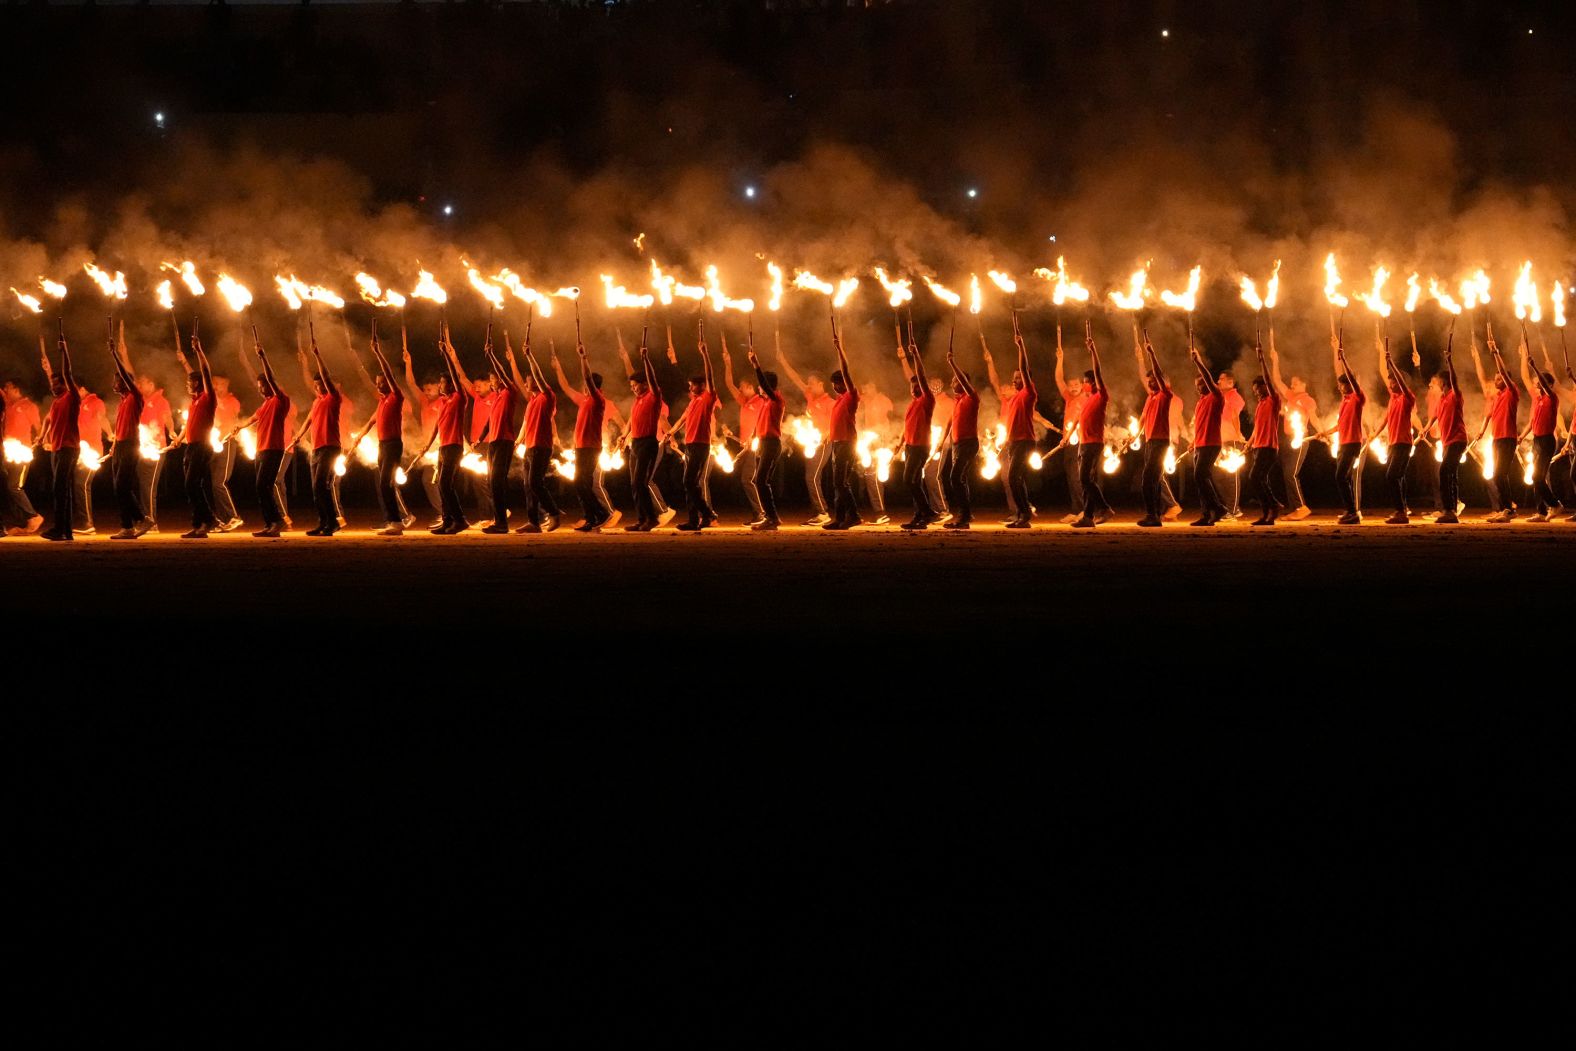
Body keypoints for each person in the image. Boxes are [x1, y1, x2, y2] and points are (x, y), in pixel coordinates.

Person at [344, 325, 410, 535]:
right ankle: (394, 521)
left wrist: (378, 353)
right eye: (377, 383)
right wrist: (359, 437)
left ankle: (396, 522)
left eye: (382, 382)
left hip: (393, 445)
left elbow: (389, 374)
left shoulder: (396, 397)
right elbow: (372, 421)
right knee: (383, 483)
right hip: (383, 445)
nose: (379, 385)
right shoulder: (382, 402)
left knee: (385, 483)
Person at [226, 336, 292, 538]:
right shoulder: (264, 405)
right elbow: (252, 419)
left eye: (262, 385)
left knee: (263, 485)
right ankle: (270, 523)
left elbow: (271, 379)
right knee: (260, 486)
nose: (260, 388)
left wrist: (262, 357)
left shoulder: (281, 400)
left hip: (273, 448)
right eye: (258, 385)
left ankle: (277, 522)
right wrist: (239, 427)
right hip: (261, 449)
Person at [285, 328, 345, 536]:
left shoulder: (334, 398)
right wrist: (298, 436)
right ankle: (324, 522)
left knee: (322, 484)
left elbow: (327, 378)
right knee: (316, 487)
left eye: (321, 385)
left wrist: (317, 355)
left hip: (331, 447)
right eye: (316, 385)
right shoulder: (317, 402)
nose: (319, 388)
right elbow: (309, 420)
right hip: (317, 448)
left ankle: (332, 522)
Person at [163, 331, 220, 538]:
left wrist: (199, 351)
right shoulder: (194, 402)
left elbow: (204, 371)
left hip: (202, 447)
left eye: (189, 382)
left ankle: (210, 520)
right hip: (191, 446)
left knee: (192, 483)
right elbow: (189, 425)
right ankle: (198, 525)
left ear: (197, 383)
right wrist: (178, 440)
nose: (187, 385)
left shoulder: (208, 398)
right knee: (191, 485)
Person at [776, 346, 836, 523]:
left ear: (821, 384)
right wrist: (783, 361)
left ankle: (823, 513)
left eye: (812, 382)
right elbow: (795, 378)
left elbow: (833, 425)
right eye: (808, 382)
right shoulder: (810, 395)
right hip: (812, 443)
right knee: (810, 476)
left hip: (824, 443)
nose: (808, 385)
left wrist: (823, 437)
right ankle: (820, 512)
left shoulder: (830, 402)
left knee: (812, 476)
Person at [105, 329, 154, 539]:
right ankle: (133, 523)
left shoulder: (135, 397)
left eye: (117, 380)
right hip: (121, 445)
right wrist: (114, 443)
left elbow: (127, 376)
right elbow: (120, 427)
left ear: (125, 382)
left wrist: (115, 355)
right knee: (118, 486)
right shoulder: (123, 401)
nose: (114, 383)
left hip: (131, 445)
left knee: (122, 485)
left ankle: (137, 521)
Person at [1311, 343, 1366, 525]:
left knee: (1340, 476)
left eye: (1343, 385)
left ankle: (1353, 512)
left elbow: (1353, 380)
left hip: (1353, 443)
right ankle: (1350, 511)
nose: (1341, 388)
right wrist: (1324, 433)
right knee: (1345, 477)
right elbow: (1340, 425)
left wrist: (1343, 359)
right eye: (1340, 385)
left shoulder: (1358, 398)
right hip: (1343, 443)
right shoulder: (1345, 401)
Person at [513, 338, 562, 533]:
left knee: (535, 482)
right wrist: (518, 441)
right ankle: (534, 522)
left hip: (542, 446)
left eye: (529, 379)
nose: (527, 383)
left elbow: (539, 377)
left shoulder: (547, 396)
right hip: (529, 446)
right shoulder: (531, 401)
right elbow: (525, 423)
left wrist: (529, 356)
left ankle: (554, 513)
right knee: (527, 485)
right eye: (526, 381)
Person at [1267, 335, 1320, 520]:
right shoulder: (1290, 396)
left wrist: (1322, 433)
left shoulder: (1308, 400)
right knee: (1286, 473)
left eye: (1296, 382)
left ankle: (1301, 507)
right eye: (1292, 382)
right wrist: (1275, 360)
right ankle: (1295, 508)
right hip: (1288, 439)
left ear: (1304, 384)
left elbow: (1313, 418)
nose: (1292, 384)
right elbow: (1277, 380)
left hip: (1300, 440)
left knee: (1291, 473)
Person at [38, 330, 83, 541]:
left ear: (65, 385)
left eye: (57, 383)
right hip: (57, 448)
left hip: (68, 447)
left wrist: (64, 352)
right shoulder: (56, 403)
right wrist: (41, 437)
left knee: (60, 488)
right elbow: (48, 420)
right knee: (62, 489)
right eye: (52, 383)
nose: (53, 386)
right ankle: (66, 531)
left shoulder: (72, 397)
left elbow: (68, 374)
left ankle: (61, 529)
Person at [476, 331, 522, 534]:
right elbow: (488, 421)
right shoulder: (496, 397)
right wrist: (479, 438)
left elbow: (504, 374)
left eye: (495, 379)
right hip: (493, 442)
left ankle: (502, 523)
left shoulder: (510, 392)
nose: (493, 381)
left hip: (504, 441)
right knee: (491, 481)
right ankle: (498, 521)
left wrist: (492, 356)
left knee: (497, 481)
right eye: (492, 379)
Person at [720, 336, 768, 525]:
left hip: (758, 447)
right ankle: (760, 513)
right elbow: (728, 383)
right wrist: (728, 363)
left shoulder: (761, 401)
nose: (739, 390)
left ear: (750, 387)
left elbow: (764, 422)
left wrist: (754, 438)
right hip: (747, 446)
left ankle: (761, 513)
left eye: (742, 388)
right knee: (749, 480)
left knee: (748, 479)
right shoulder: (744, 401)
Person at [674, 328, 718, 531]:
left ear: (702, 385)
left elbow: (710, 376)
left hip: (701, 444)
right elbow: (683, 419)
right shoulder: (693, 401)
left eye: (693, 385)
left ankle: (708, 513)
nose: (690, 388)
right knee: (690, 484)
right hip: (690, 445)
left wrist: (705, 354)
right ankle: (694, 520)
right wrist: (671, 432)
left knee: (689, 481)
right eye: (690, 385)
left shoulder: (708, 398)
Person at [998, 313, 1040, 529]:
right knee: (1015, 479)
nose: (1015, 380)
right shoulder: (1013, 398)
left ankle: (1024, 514)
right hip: (1014, 442)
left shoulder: (1029, 393)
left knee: (1015, 477)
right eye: (1013, 378)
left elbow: (1023, 368)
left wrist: (1020, 346)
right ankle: (1023, 514)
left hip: (1025, 441)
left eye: (1018, 378)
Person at [622, 339, 668, 531]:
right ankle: (642, 519)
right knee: (634, 483)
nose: (633, 388)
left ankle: (652, 518)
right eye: (631, 386)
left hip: (648, 443)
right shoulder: (637, 401)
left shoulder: (653, 396)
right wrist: (624, 435)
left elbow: (653, 380)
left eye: (635, 385)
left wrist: (645, 358)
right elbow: (632, 421)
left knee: (641, 482)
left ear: (644, 384)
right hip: (635, 443)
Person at [1071, 327, 1114, 529]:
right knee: (1087, 480)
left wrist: (1093, 350)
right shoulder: (1086, 401)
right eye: (1085, 382)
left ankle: (1104, 508)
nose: (1085, 385)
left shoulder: (1101, 397)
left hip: (1093, 444)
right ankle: (1088, 517)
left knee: (1084, 479)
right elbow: (1079, 422)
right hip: (1083, 443)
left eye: (1087, 382)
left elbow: (1098, 372)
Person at [1474, 334, 1520, 523]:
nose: (1496, 380)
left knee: (1501, 473)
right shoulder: (1497, 397)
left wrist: (1495, 352)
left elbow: (1503, 371)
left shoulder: (1511, 392)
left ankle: (1509, 509)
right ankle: (1503, 508)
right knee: (1497, 474)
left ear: (1507, 380)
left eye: (1499, 378)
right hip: (1496, 438)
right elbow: (1489, 415)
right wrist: (1482, 431)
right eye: (1495, 378)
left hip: (1508, 438)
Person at [1517, 339, 1561, 522]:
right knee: (1535, 477)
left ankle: (1555, 505)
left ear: (1548, 385)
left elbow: (1544, 386)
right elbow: (1533, 421)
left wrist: (1535, 367)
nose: (1537, 387)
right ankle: (1541, 512)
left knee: (1538, 476)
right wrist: (1521, 436)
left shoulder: (1552, 398)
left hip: (1547, 441)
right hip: (1536, 440)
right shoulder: (1538, 400)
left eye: (1540, 384)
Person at [823, 325, 862, 530]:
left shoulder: (851, 396)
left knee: (841, 482)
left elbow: (846, 372)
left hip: (847, 443)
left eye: (837, 383)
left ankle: (853, 515)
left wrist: (839, 350)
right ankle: (839, 518)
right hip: (838, 444)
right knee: (838, 482)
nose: (835, 387)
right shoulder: (838, 401)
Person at [1133, 334, 1174, 528]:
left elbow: (1157, 373)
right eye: (1149, 381)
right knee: (1154, 479)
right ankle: (1155, 515)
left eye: (1153, 380)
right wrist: (1135, 435)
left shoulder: (1165, 395)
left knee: (1148, 479)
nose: (1150, 382)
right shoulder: (1151, 398)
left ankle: (1152, 514)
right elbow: (1142, 419)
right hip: (1150, 441)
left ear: (1161, 382)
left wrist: (1151, 353)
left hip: (1160, 441)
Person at [897, 340, 937, 529]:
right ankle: (920, 515)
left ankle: (927, 512)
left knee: (909, 479)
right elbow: (908, 426)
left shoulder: (927, 399)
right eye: (912, 386)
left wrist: (915, 355)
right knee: (914, 481)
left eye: (918, 385)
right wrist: (900, 443)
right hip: (910, 446)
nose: (914, 388)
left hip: (921, 446)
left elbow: (920, 375)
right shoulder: (912, 404)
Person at [1185, 346, 1226, 526]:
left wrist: (1198, 362)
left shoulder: (1216, 396)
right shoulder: (1200, 402)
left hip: (1211, 443)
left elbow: (1209, 380)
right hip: (1200, 444)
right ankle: (1207, 514)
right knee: (1201, 478)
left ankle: (1218, 508)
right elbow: (1200, 425)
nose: (1199, 387)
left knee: (1200, 475)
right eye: (1197, 386)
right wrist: (1194, 441)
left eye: (1201, 384)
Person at [1378, 340, 1417, 525]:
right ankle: (1402, 510)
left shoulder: (1407, 398)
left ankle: (1401, 511)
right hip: (1393, 443)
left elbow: (1401, 383)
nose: (1390, 384)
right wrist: (1381, 354)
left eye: (1393, 381)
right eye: (1390, 381)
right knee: (1397, 477)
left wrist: (1392, 362)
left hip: (1403, 443)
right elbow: (1382, 372)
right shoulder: (1392, 398)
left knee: (1392, 475)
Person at [746, 343, 784, 530]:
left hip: (772, 444)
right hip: (764, 443)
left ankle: (772, 518)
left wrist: (755, 364)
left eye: (761, 386)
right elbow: (759, 423)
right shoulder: (766, 402)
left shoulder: (777, 399)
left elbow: (766, 387)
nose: (759, 389)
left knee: (760, 480)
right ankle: (771, 517)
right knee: (760, 480)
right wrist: (752, 438)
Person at [942, 346, 981, 529]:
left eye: (955, 381)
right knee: (960, 479)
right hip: (957, 445)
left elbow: (965, 383)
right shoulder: (957, 401)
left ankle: (964, 515)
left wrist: (952, 363)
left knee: (955, 477)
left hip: (968, 443)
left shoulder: (972, 397)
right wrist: (942, 442)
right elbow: (950, 424)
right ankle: (965, 516)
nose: (952, 384)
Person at [1246, 340, 1284, 526]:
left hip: (1269, 446)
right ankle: (1267, 513)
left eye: (1259, 389)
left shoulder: (1273, 400)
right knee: (1259, 479)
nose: (1257, 393)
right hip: (1258, 446)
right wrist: (1249, 442)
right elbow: (1257, 427)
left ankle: (1273, 506)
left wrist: (1262, 360)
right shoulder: (1260, 405)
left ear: (1264, 388)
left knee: (1255, 477)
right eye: (1254, 391)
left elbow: (1269, 381)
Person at [1, 378, 43, 534]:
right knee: (8, 487)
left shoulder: (29, 406)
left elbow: (39, 427)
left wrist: (43, 439)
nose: (5, 388)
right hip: (8, 452)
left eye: (8, 386)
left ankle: (33, 516)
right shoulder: (8, 404)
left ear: (17, 389)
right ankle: (22, 522)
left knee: (15, 486)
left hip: (22, 452)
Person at [1053, 337, 1088, 521]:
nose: (1073, 388)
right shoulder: (1068, 397)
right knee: (1070, 475)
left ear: (1082, 385)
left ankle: (1083, 510)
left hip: (1079, 441)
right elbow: (1058, 378)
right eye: (1071, 385)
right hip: (1067, 441)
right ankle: (1075, 510)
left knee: (1077, 476)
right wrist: (1060, 359)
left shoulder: (1086, 398)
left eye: (1076, 385)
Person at [73, 379, 108, 534]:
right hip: (80, 451)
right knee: (78, 484)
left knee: (81, 484)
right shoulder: (77, 403)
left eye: (74, 389)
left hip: (92, 451)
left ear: (82, 388)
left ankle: (87, 524)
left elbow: (102, 418)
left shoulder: (96, 402)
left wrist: (111, 433)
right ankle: (84, 522)